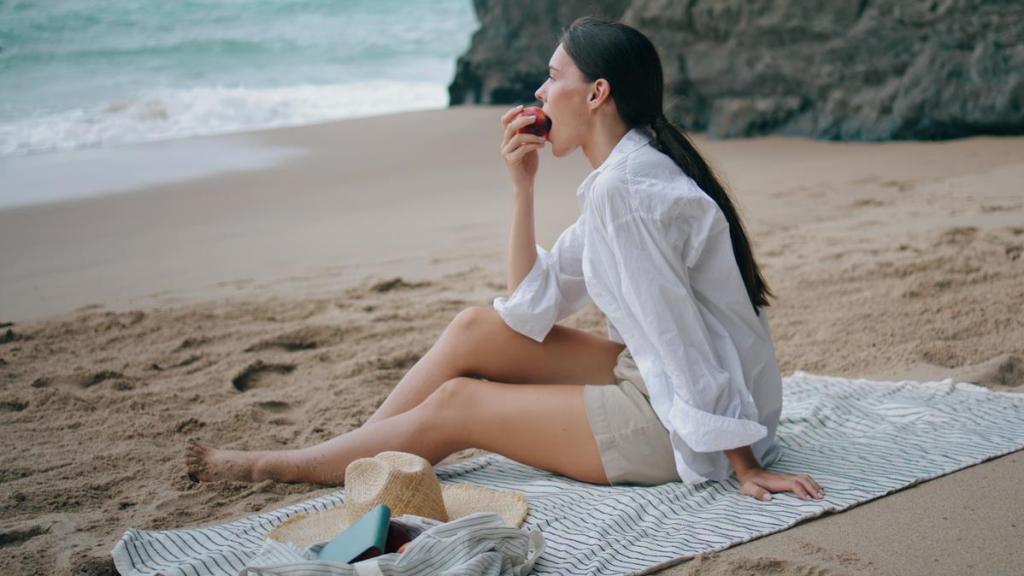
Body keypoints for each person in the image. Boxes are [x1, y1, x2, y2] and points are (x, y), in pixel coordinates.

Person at [187, 16, 824, 503]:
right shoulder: (627, 172)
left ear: (597, 93)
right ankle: (353, 455)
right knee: (475, 328)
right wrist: (521, 189)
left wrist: (744, 465)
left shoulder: (625, 190)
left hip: (686, 429)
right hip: (662, 383)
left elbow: (684, 338)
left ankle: (291, 465)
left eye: (555, 77)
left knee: (458, 404)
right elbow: (527, 310)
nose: (542, 92)